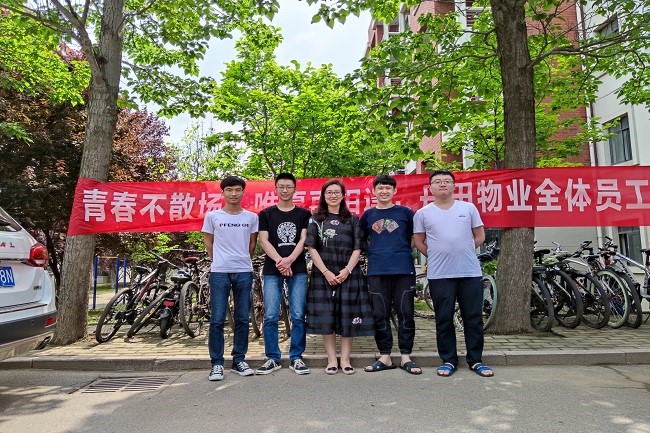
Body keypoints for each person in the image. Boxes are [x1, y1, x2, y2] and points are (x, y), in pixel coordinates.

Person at [413, 169, 494, 378]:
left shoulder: (468, 208)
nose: (442, 184)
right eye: (438, 181)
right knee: (443, 318)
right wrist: (437, 254)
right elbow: (419, 242)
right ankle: (448, 360)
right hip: (440, 274)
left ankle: (476, 360)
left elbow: (480, 236)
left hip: (469, 272)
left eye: (447, 181)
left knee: (473, 318)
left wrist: (463, 250)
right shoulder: (423, 213)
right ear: (430, 187)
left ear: (454, 186)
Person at [305, 179, 374, 375]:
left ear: (343, 195)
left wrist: (347, 270)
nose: (333, 195)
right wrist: (326, 272)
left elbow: (358, 247)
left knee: (348, 315)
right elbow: (311, 247)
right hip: (322, 274)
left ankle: (345, 359)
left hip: (349, 274)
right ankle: (331, 359)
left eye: (337, 192)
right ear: (323, 196)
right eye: (329, 192)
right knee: (326, 315)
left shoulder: (352, 219)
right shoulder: (315, 220)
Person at [360, 175, 421, 375]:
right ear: (374, 191)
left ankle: (406, 357)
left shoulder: (405, 213)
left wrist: (400, 251)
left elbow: (415, 237)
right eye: (380, 188)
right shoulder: (368, 215)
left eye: (388, 188)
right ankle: (385, 356)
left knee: (406, 313)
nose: (384, 191)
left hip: (403, 269)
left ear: (395, 191)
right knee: (380, 314)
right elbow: (361, 240)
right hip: (377, 271)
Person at [202, 175, 259, 381]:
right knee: (217, 319)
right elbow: (208, 242)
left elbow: (252, 244)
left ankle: (239, 360)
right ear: (223, 193)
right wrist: (218, 261)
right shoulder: (212, 216)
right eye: (229, 190)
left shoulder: (251, 217)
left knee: (242, 318)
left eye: (237, 190)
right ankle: (217, 363)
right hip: (219, 272)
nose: (233, 194)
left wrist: (242, 260)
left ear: (243, 192)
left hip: (244, 271)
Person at [255, 173, 312, 375]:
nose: (285, 190)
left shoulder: (303, 214)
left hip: (298, 269)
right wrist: (281, 261)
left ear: (295, 189)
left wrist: (289, 260)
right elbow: (264, 240)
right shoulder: (266, 214)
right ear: (276, 189)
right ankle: (273, 358)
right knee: (270, 315)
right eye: (281, 187)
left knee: (298, 314)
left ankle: (296, 357)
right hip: (272, 270)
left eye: (289, 187)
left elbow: (303, 240)